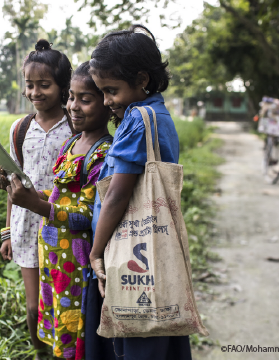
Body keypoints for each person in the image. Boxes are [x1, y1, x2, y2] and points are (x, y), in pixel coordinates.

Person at [86, 25, 192, 360]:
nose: (106, 101)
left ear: (142, 80)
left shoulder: (138, 121)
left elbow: (116, 196)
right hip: (150, 253)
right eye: (101, 91)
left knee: (134, 340)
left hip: (127, 256)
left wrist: (95, 251)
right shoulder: (158, 115)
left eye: (111, 90)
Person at [0, 61, 114, 359]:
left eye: (84, 99)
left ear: (109, 103)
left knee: (75, 329)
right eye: (72, 98)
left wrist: (37, 203)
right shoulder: (73, 143)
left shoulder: (102, 153)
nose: (74, 106)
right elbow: (61, 194)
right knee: (50, 321)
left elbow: (88, 215)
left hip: (76, 262)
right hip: (51, 255)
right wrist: (35, 194)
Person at [0, 39, 74, 359]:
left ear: (62, 85)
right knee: (33, 305)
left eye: (45, 85)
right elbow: (15, 183)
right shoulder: (20, 127)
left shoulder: (74, 126)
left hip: (61, 223)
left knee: (63, 298)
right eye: (30, 85)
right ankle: (40, 352)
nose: (36, 92)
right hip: (25, 226)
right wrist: (7, 231)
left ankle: (66, 351)